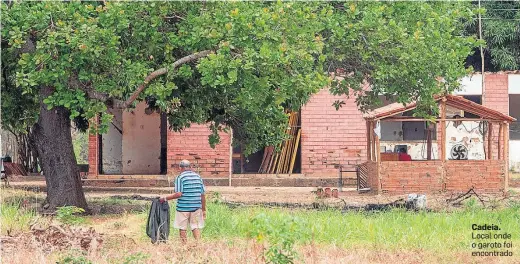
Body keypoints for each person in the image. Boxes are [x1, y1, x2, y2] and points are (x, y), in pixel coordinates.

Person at [160, 160, 206, 243]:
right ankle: (199, 244)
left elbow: (178, 194)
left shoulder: (180, 177)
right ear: (190, 167)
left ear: (180, 168)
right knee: (195, 226)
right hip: (196, 207)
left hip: (183, 208)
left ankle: (184, 246)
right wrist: (203, 209)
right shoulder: (198, 177)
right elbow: (202, 195)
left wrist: (165, 198)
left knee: (182, 228)